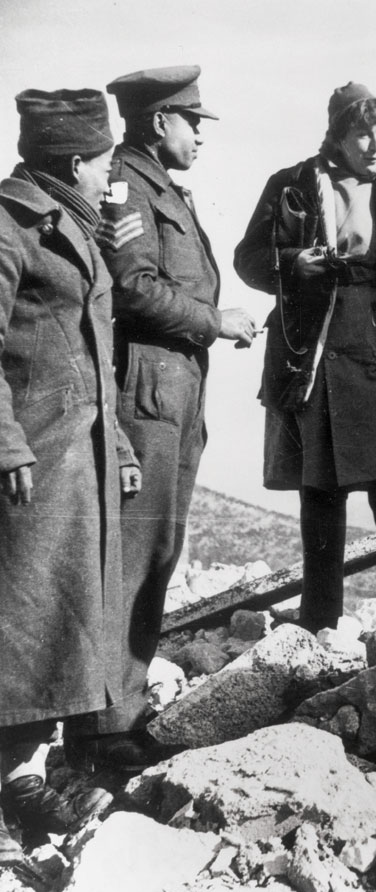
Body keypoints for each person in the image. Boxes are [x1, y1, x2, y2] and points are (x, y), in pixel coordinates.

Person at [64, 66, 257, 774]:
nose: (200, 134)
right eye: (192, 121)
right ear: (158, 122)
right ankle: (101, 729)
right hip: (146, 388)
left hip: (176, 389)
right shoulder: (127, 185)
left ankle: (121, 709)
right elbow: (133, 287)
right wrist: (215, 320)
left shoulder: (162, 187)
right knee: (134, 555)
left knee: (159, 551)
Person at [234, 82, 376, 636]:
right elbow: (248, 259)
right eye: (363, 134)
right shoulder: (292, 184)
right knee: (321, 486)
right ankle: (320, 620)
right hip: (316, 345)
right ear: (337, 134)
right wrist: (292, 262)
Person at [0, 88, 140, 863]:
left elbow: (95, 362)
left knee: (60, 626)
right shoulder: (8, 225)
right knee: (18, 627)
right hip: (32, 461)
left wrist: (119, 447)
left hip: (77, 462)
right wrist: (6, 445)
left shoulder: (77, 229)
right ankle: (10, 783)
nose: (112, 175)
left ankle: (22, 773)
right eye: (106, 161)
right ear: (77, 161)